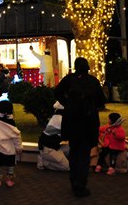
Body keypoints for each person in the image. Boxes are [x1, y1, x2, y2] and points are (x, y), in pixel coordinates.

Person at [54, 57, 107, 198]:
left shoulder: (69, 79)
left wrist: (68, 104)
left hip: (72, 122)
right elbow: (102, 100)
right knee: (84, 155)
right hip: (88, 123)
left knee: (74, 151)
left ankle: (74, 181)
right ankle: (80, 185)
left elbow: (57, 93)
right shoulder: (93, 81)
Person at [37, 101, 69, 171]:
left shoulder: (57, 117)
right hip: (48, 148)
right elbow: (68, 134)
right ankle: (44, 162)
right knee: (66, 167)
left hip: (54, 146)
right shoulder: (60, 120)